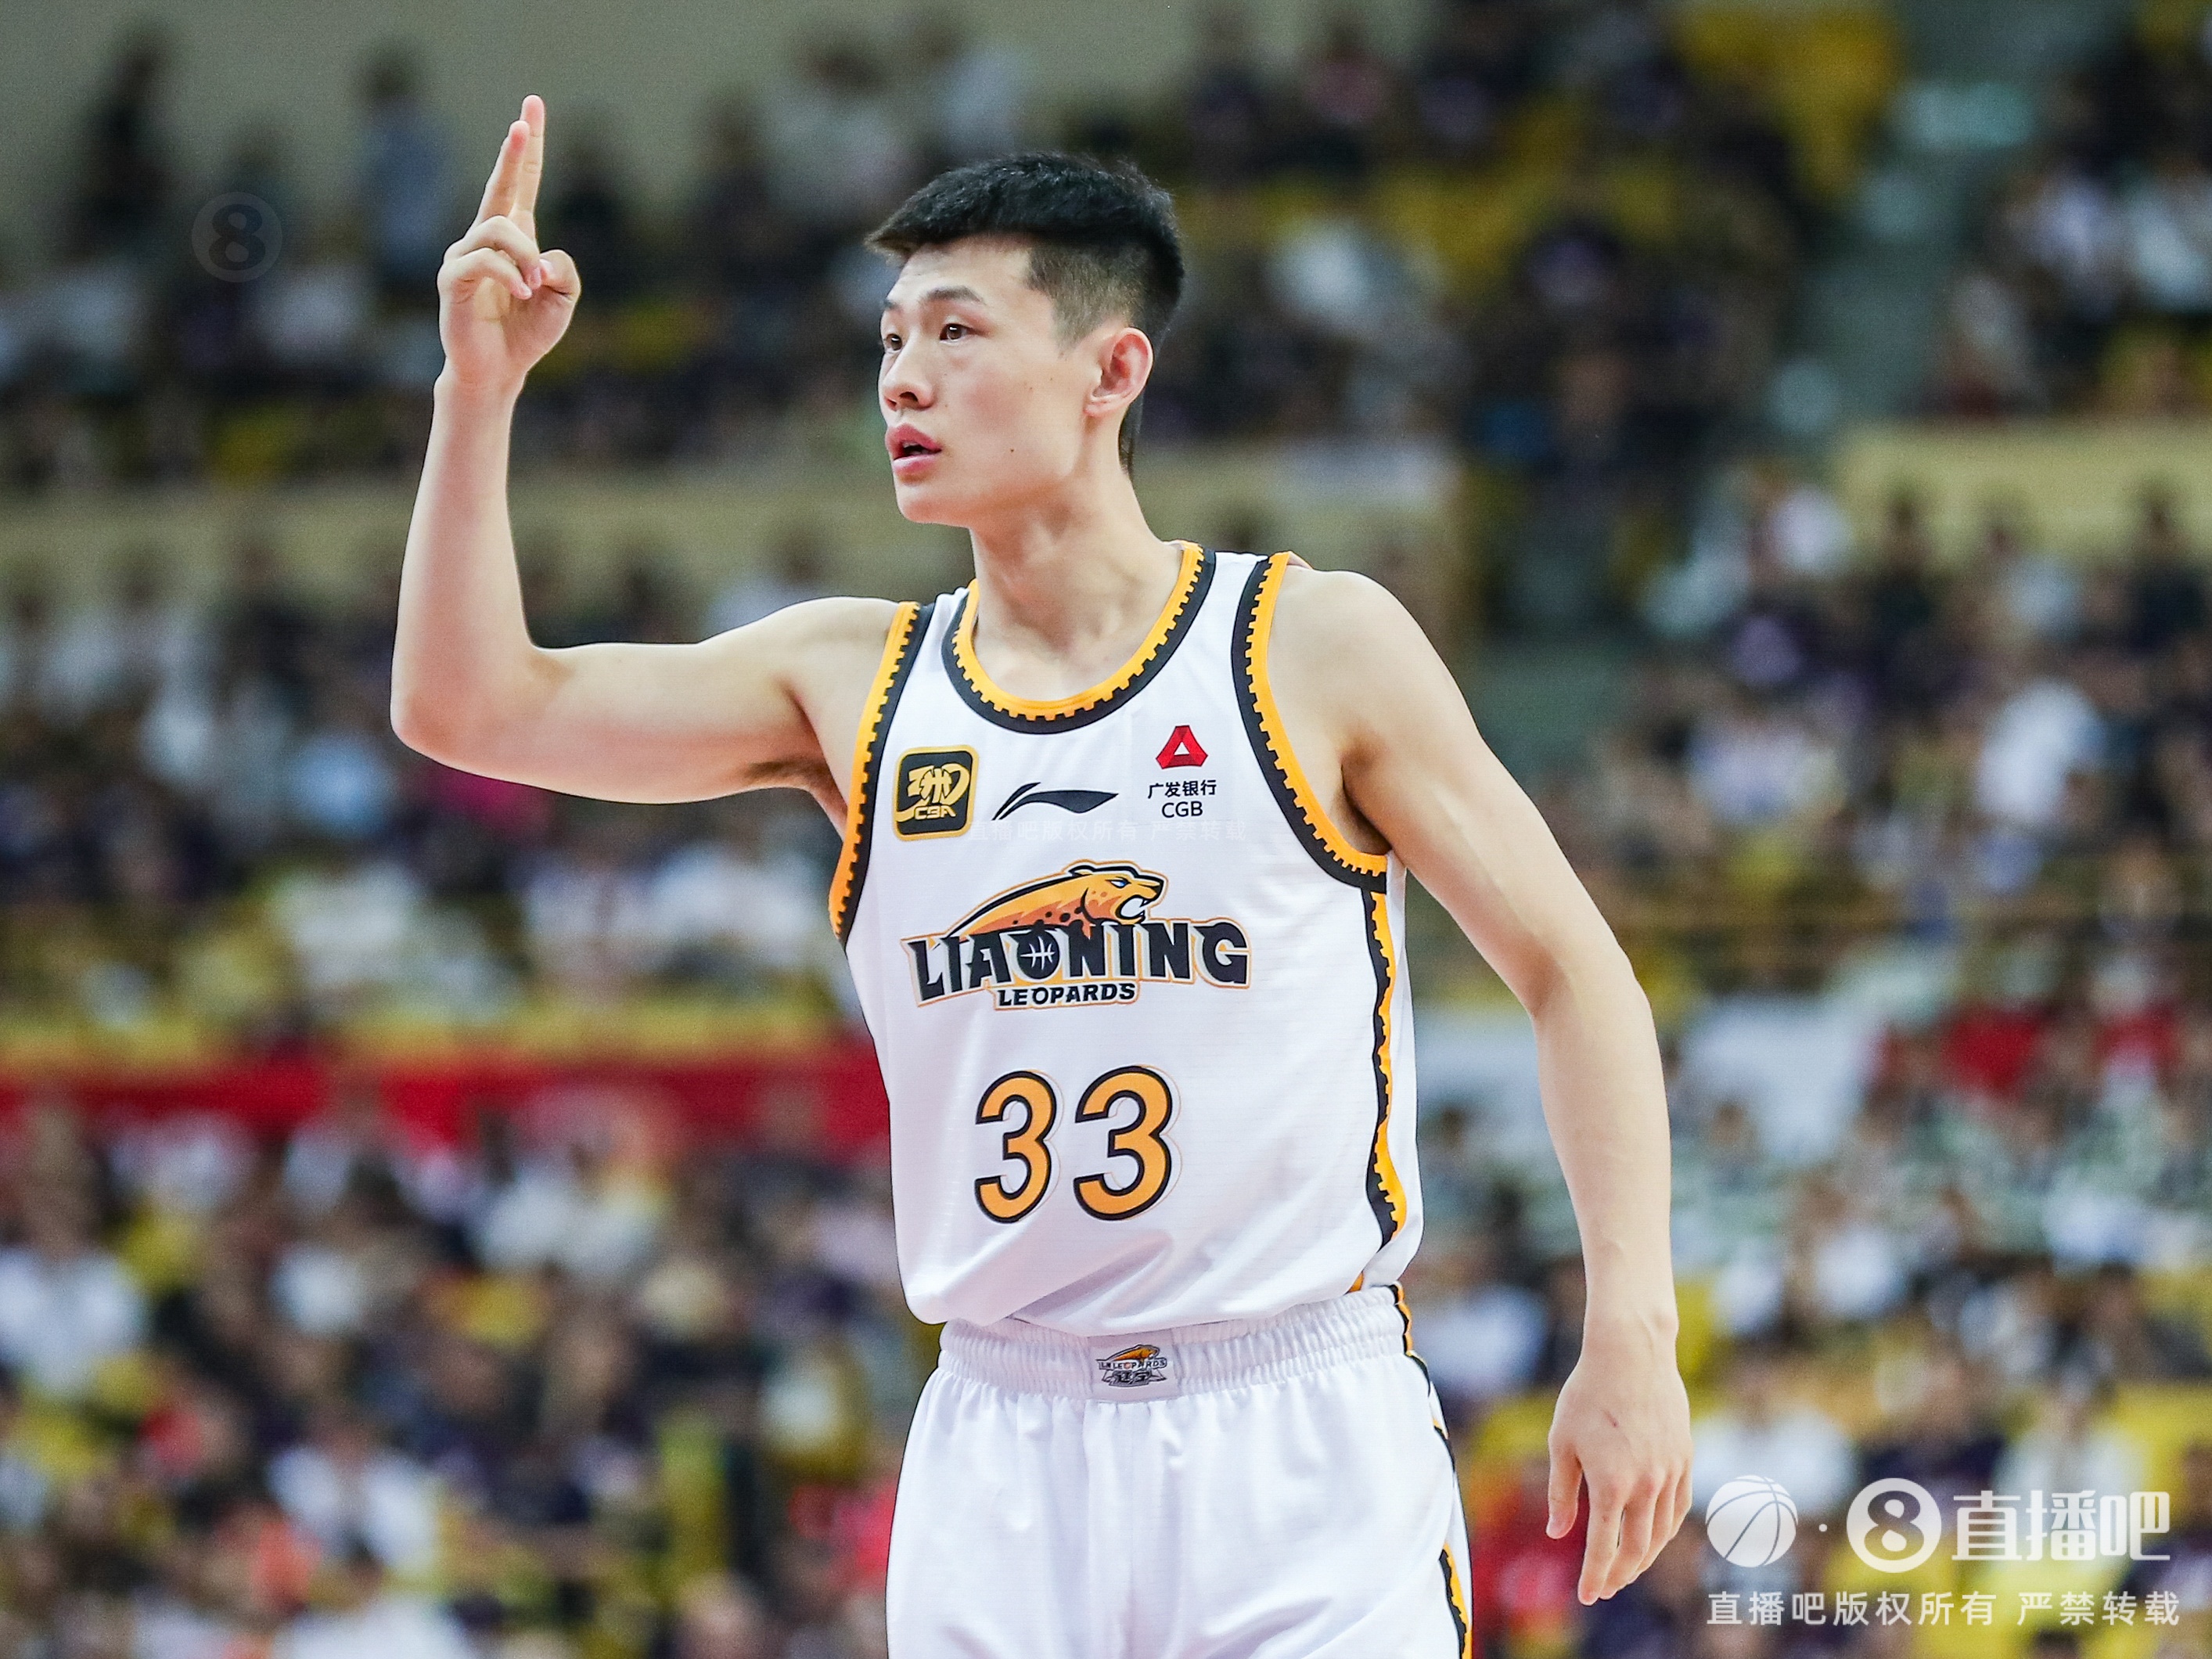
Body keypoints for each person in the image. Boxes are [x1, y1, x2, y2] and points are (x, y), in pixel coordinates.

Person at [393, 95, 1691, 1657]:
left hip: (1294, 1429)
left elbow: (1573, 971)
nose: (904, 377)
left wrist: (1634, 1324)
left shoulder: (1310, 644)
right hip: (1000, 1446)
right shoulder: (849, 679)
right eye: (889, 340)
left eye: (956, 332)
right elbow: (467, 708)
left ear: (1110, 371)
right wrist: (476, 394)